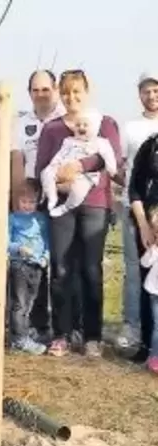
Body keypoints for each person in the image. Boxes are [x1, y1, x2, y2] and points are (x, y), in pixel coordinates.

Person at [35, 70, 121, 358]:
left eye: (77, 92)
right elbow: (41, 168)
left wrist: (80, 166)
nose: (72, 98)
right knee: (60, 269)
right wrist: (60, 180)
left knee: (90, 268)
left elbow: (111, 159)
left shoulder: (105, 123)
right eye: (67, 92)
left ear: (87, 91)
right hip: (61, 203)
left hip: (95, 203)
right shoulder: (52, 129)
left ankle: (92, 335)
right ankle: (61, 332)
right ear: (60, 93)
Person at [12, 70, 65, 343]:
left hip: (61, 200)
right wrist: (20, 203)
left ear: (55, 89)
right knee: (33, 263)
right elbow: (17, 163)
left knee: (60, 265)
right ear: (29, 92)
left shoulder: (66, 118)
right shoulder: (21, 124)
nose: (41, 94)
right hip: (32, 202)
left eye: (46, 89)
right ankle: (37, 323)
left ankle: (65, 326)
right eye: (36, 90)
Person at [116, 72, 158, 351]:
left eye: (156, 90)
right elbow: (131, 181)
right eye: (147, 91)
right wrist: (144, 222)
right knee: (141, 276)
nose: (152, 96)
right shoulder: (141, 138)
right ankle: (140, 336)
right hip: (142, 214)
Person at [40, 112, 117, 218]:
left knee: (78, 192)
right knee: (46, 173)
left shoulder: (100, 142)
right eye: (78, 125)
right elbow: (60, 154)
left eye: (85, 125)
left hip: (85, 177)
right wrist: (54, 165)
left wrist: (111, 168)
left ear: (94, 127)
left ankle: (66, 207)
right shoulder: (69, 141)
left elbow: (108, 155)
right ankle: (52, 196)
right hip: (62, 169)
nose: (81, 127)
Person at [7, 180, 49, 355]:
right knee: (20, 303)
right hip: (20, 264)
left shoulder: (40, 219)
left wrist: (46, 256)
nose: (27, 206)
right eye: (24, 202)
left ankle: (26, 330)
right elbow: (5, 242)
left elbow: (47, 240)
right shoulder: (13, 218)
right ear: (17, 201)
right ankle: (18, 338)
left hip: (37, 265)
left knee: (31, 301)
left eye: (32, 202)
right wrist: (18, 248)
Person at [137, 207, 158, 374]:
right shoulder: (155, 251)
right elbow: (144, 264)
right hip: (155, 293)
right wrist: (151, 251)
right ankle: (154, 357)